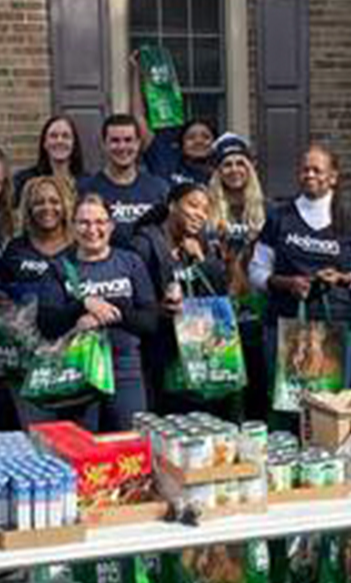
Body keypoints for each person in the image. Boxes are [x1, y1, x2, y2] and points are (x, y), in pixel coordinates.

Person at [250, 145, 351, 418]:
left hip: (338, 327)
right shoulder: (278, 218)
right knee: (287, 410)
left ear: (333, 177)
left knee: (332, 411)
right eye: (305, 169)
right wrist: (286, 283)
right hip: (284, 325)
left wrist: (344, 278)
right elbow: (256, 271)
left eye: (317, 170)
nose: (309, 175)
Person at [35, 195, 158, 432]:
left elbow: (150, 321)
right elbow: (47, 325)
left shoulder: (130, 262)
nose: (92, 230)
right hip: (76, 372)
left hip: (125, 371)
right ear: (72, 226)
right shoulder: (59, 268)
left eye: (100, 222)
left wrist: (106, 310)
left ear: (111, 225)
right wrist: (82, 305)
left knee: (129, 442)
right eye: (84, 222)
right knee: (79, 446)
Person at [129, 181, 230, 413]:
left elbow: (219, 296)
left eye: (205, 210)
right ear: (172, 205)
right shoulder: (144, 244)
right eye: (193, 205)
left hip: (198, 353)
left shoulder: (200, 243)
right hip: (159, 357)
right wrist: (161, 308)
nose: (200, 214)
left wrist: (202, 260)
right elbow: (133, 305)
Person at [206, 132, 270, 417]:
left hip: (256, 309)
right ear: (218, 171)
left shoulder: (267, 210)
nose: (234, 170)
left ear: (250, 167)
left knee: (257, 385)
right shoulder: (206, 208)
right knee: (222, 387)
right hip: (218, 310)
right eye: (227, 164)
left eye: (240, 163)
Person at [78, 114, 171, 247]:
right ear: (104, 144)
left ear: (138, 143)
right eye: (115, 141)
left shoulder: (160, 188)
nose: (122, 147)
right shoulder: (86, 188)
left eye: (128, 140)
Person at [130, 51, 217, 187]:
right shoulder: (165, 159)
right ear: (181, 144)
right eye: (191, 137)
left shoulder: (224, 171)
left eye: (206, 137)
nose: (198, 141)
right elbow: (139, 117)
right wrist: (137, 72)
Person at [0, 175, 77, 304]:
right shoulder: (16, 249)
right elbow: (1, 293)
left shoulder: (79, 248)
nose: (47, 208)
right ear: (29, 208)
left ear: (65, 206)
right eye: (39, 203)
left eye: (54, 202)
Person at [12, 116, 89, 198]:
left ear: (74, 144)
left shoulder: (88, 184)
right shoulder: (24, 180)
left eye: (65, 136)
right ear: (44, 143)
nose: (59, 141)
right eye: (53, 136)